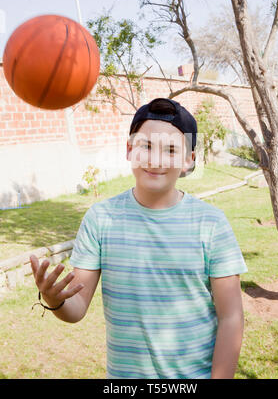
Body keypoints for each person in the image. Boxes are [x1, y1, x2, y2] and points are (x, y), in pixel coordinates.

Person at [30, 97, 248, 379]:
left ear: (188, 161)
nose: (156, 159)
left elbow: (231, 317)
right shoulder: (100, 219)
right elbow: (76, 309)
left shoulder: (211, 224)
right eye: (146, 146)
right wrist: (54, 298)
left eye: (171, 150)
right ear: (130, 150)